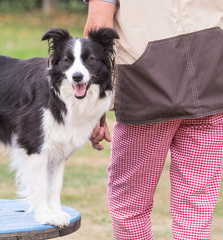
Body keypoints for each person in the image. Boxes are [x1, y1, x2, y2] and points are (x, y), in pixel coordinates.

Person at [84, 0, 223, 239]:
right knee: (195, 210)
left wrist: (93, 106)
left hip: (145, 88)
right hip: (212, 78)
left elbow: (96, 33)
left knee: (129, 206)